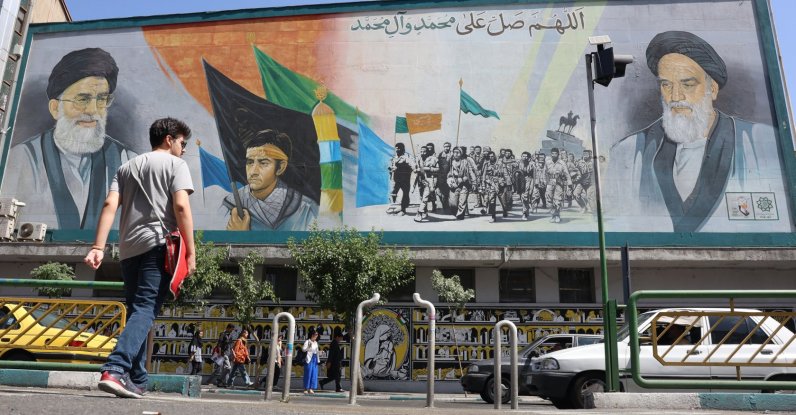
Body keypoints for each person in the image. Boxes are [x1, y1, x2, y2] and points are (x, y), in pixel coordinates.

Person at [608, 30, 787, 232]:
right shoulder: (629, 152)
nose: (676, 96)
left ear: (713, 89)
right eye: (666, 85)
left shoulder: (759, 142)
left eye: (688, 84)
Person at [84, 117, 195, 399]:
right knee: (146, 310)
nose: (184, 149)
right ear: (169, 139)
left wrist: (98, 246)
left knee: (137, 312)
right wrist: (192, 252)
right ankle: (115, 368)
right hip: (158, 245)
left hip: (128, 249)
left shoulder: (125, 167)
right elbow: (181, 207)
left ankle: (137, 379)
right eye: (183, 143)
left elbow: (110, 204)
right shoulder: (176, 165)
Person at [4, 48, 137, 229]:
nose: (92, 110)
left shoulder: (128, 160)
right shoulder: (22, 159)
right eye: (82, 99)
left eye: (101, 100)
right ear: (54, 108)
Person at [224, 129, 318, 230]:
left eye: (263, 163)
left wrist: (240, 238)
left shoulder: (305, 209)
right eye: (250, 162)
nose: (253, 171)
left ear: (280, 167)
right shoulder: (229, 205)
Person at [447, 147, 478, 220]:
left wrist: (474, 182)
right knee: (453, 204)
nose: (456, 154)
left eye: (458, 152)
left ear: (461, 153)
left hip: (464, 184)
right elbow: (447, 172)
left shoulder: (465, 162)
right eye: (455, 152)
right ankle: (456, 213)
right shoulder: (451, 162)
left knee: (462, 201)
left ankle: (460, 215)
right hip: (454, 184)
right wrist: (450, 179)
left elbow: (471, 172)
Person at [545, 148, 572, 223]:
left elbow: (567, 173)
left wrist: (569, 182)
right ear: (551, 154)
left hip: (559, 182)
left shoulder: (562, 163)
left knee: (557, 200)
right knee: (549, 199)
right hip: (550, 182)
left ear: (558, 154)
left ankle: (557, 215)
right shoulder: (547, 162)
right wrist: (544, 181)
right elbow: (545, 172)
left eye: (555, 153)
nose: (554, 155)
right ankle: (553, 215)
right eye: (552, 153)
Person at [413, 145, 438, 222]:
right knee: (422, 197)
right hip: (421, 181)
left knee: (425, 197)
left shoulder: (433, 159)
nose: (422, 153)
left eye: (424, 151)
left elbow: (438, 169)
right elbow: (415, 167)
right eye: (421, 151)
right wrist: (415, 169)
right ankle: (425, 212)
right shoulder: (418, 158)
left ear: (427, 152)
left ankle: (419, 212)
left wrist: (429, 169)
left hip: (429, 181)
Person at [387, 142, 413, 216]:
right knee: (393, 193)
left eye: (399, 149)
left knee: (405, 194)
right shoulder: (394, 158)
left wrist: (400, 168)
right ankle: (393, 207)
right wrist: (391, 169)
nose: (397, 150)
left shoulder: (407, 157)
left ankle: (403, 209)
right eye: (396, 149)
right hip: (396, 179)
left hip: (405, 179)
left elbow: (412, 167)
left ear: (402, 149)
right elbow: (391, 167)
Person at [302, 328, 320, 394]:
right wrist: (308, 347)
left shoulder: (316, 342)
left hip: (315, 358)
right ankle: (305, 388)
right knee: (308, 373)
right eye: (315, 334)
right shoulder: (307, 341)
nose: (316, 336)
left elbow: (316, 351)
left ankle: (311, 388)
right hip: (309, 359)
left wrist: (320, 352)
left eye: (317, 335)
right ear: (312, 335)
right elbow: (303, 349)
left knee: (314, 374)